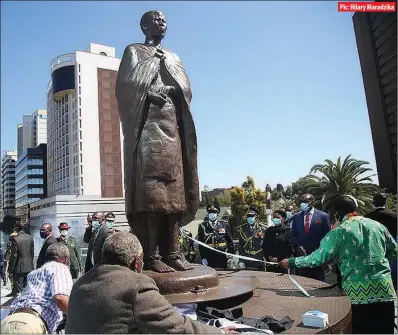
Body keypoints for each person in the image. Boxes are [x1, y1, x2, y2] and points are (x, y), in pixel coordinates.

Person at [116, 10, 199, 273]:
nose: (161, 24)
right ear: (143, 25)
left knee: (174, 192)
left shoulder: (173, 56)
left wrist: (173, 89)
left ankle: (173, 252)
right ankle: (151, 256)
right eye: (156, 20)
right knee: (151, 193)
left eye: (164, 21)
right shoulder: (134, 51)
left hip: (172, 127)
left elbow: (186, 88)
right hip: (148, 129)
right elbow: (126, 86)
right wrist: (148, 92)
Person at [66, 232, 230, 334]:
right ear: (137, 262)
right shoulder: (136, 286)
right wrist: (219, 332)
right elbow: (176, 327)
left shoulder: (80, 283)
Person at [279, 195, 397, 334]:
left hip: (358, 296)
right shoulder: (378, 226)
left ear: (337, 213)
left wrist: (291, 262)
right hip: (385, 292)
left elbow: (316, 259)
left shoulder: (339, 232)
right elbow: (394, 251)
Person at [1, 243, 73, 334]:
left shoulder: (33, 273)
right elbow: (60, 297)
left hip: (8, 321)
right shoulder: (60, 267)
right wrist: (76, 317)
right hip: (31, 324)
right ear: (65, 259)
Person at [291, 194, 331, 281]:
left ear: (312, 203)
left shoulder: (323, 216)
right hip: (302, 256)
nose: (302, 204)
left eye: (305, 202)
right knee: (303, 282)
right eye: (301, 202)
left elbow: (328, 236)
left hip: (318, 256)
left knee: (319, 283)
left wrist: (327, 258)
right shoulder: (297, 217)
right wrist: (297, 246)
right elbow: (293, 235)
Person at [365, 192, 397, 290]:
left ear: (373, 203)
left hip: (373, 251)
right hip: (392, 251)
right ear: (385, 202)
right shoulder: (395, 216)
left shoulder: (367, 217)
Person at [198, 204, 234, 269]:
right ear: (208, 214)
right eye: (210, 212)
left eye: (214, 212)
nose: (212, 214)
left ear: (217, 214)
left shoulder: (224, 224)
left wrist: (230, 255)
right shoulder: (203, 226)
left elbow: (230, 242)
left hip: (222, 256)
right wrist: (203, 257)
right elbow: (201, 244)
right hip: (209, 257)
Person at [7, 222, 34, 296]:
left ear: (16, 228)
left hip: (19, 269)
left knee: (19, 292)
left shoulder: (15, 239)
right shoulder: (30, 237)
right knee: (27, 289)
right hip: (29, 267)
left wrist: (11, 269)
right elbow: (32, 253)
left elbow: (14, 256)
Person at [238, 206, 267, 270]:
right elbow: (241, 246)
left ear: (256, 217)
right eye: (248, 216)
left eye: (252, 216)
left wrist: (265, 258)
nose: (250, 218)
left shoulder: (262, 228)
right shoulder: (242, 229)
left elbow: (266, 245)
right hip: (247, 257)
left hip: (259, 257)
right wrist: (241, 260)